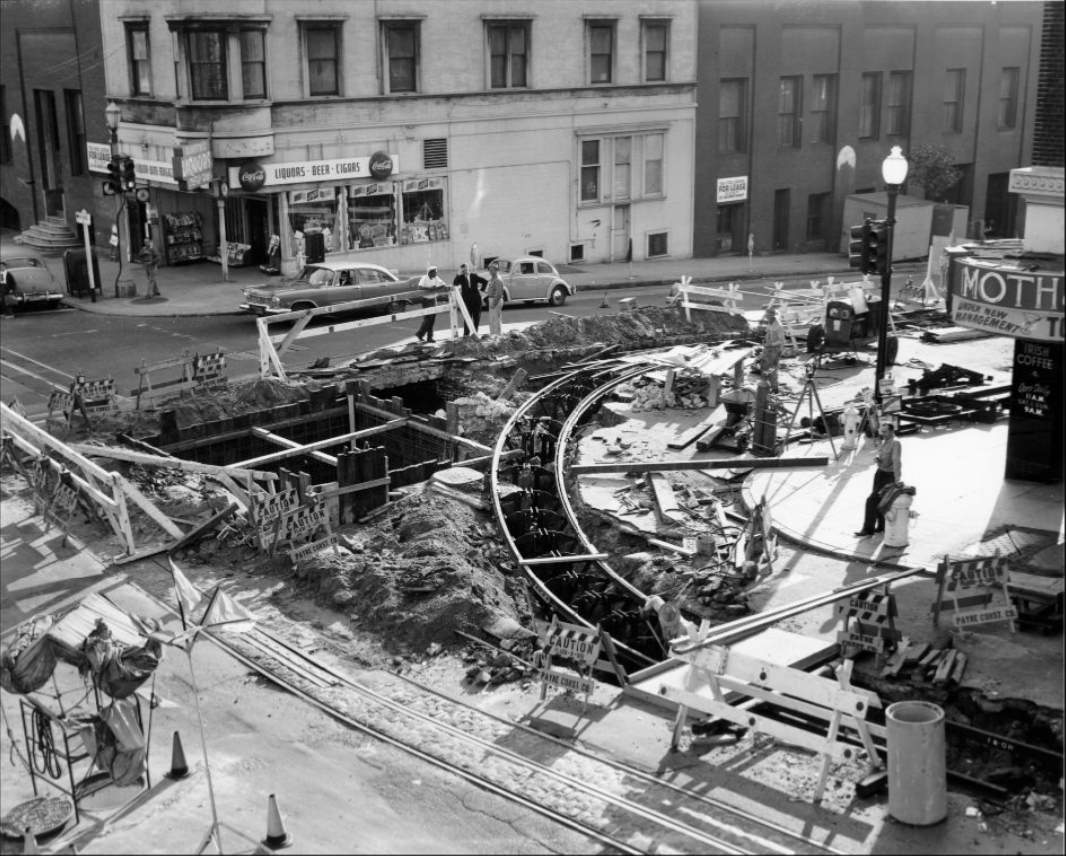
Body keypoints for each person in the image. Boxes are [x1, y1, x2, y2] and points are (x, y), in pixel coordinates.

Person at [855, 420, 902, 537]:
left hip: (888, 476)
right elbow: (882, 455)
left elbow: (896, 461)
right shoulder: (885, 441)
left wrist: (897, 479)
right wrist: (878, 459)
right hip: (880, 473)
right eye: (882, 432)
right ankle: (881, 526)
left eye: (885, 432)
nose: (883, 434)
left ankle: (868, 529)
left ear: (892, 431)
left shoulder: (895, 443)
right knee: (881, 501)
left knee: (871, 501)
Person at [415, 264, 448, 343]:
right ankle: (421, 334)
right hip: (426, 300)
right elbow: (419, 287)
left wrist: (437, 288)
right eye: (435, 272)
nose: (436, 274)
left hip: (433, 299)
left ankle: (428, 336)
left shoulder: (436, 278)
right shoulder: (424, 278)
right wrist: (429, 289)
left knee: (432, 319)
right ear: (430, 272)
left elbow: (443, 284)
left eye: (436, 272)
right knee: (428, 319)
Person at [453, 263, 486, 337]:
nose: (465, 271)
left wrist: (481, 290)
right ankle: (466, 334)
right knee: (467, 317)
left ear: (468, 269)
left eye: (466, 269)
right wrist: (458, 274)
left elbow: (485, 281)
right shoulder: (461, 277)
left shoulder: (474, 276)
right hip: (467, 301)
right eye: (463, 270)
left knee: (476, 318)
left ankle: (475, 334)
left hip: (476, 300)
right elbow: (455, 283)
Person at [760, 307, 786, 393]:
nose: (767, 318)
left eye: (768, 316)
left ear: (772, 316)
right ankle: (766, 386)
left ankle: (775, 388)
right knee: (765, 367)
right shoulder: (770, 323)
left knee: (772, 369)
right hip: (768, 349)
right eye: (766, 316)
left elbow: (782, 340)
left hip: (775, 349)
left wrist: (772, 344)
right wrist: (765, 338)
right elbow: (768, 332)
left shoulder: (778, 326)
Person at [485, 260, 504, 336]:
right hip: (491, 300)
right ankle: (493, 335)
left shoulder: (498, 280)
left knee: (496, 320)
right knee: (492, 320)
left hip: (495, 301)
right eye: (489, 270)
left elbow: (499, 294)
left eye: (491, 270)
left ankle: (497, 336)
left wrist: (493, 303)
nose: (490, 272)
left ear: (496, 270)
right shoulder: (492, 279)